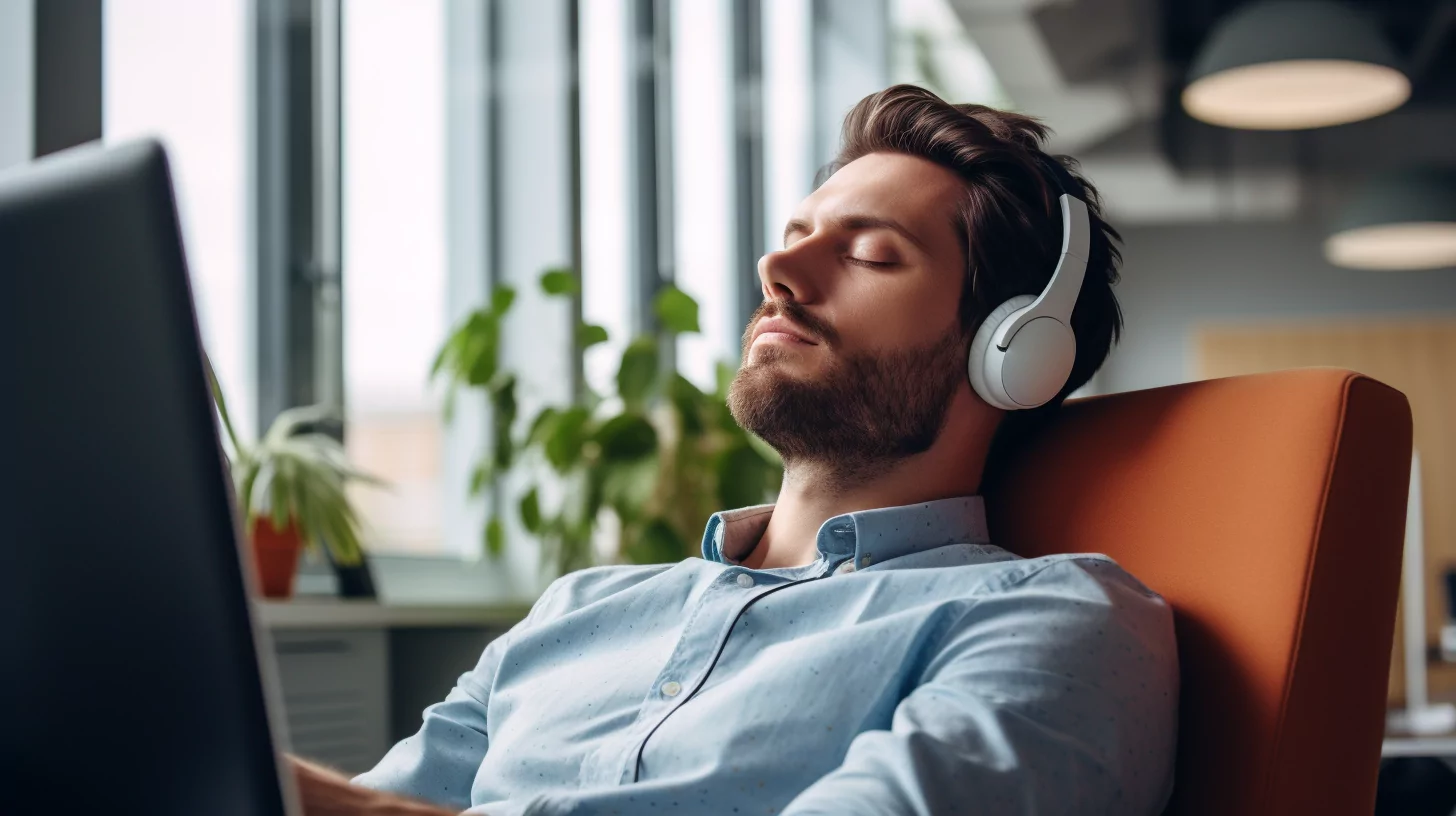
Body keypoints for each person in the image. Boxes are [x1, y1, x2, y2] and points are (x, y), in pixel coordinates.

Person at [293, 84, 1178, 816]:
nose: (778, 272)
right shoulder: (576, 611)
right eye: (793, 241)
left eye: (870, 254)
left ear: (1011, 351)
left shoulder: (1051, 621)